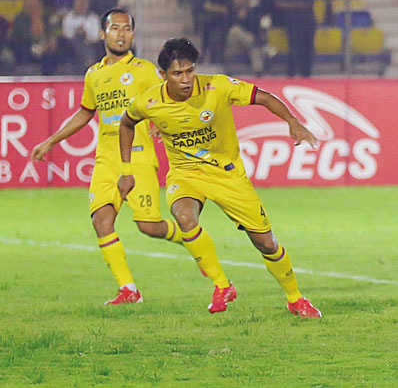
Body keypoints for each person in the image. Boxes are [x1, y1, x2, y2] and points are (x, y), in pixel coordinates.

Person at [117, 38, 322, 318]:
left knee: (266, 243)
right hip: (185, 173)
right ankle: (222, 285)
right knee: (185, 218)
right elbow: (126, 123)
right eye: (178, 73)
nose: (186, 79)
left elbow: (264, 97)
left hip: (228, 176)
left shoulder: (217, 86)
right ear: (162, 74)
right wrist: (126, 170)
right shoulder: (149, 101)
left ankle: (295, 298)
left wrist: (293, 122)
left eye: (190, 71)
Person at [31, 9, 183, 305]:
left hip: (137, 159)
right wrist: (52, 140)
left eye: (127, 29)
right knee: (101, 220)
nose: (121, 34)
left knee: (149, 227)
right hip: (106, 161)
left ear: (133, 35)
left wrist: (164, 127)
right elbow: (86, 112)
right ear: (103, 34)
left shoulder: (144, 70)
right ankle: (129, 289)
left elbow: (170, 99)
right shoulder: (94, 75)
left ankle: (191, 237)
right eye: (115, 28)